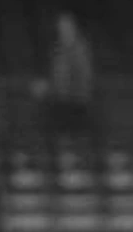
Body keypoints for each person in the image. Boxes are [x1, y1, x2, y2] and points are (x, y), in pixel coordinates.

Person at [35, 12, 95, 140]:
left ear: (74, 29)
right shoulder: (58, 50)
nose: (62, 32)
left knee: (62, 134)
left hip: (75, 104)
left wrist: (48, 89)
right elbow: (56, 76)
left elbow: (77, 81)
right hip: (61, 102)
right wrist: (47, 87)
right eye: (60, 28)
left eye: (66, 28)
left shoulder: (80, 50)